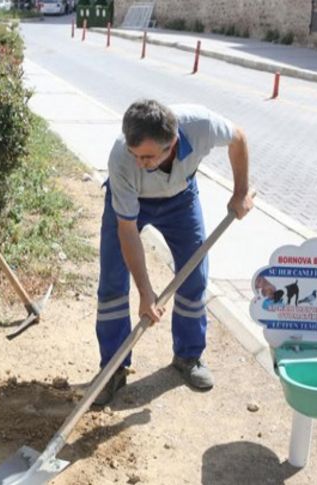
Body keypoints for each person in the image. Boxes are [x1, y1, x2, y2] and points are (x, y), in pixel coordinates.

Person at [93, 99, 253, 406]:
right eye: (135, 154)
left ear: (173, 143)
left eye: (149, 157)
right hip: (129, 204)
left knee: (194, 277)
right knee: (113, 282)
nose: (141, 162)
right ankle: (113, 368)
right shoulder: (121, 157)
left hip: (181, 200)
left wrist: (241, 192)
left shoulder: (201, 126)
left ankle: (188, 357)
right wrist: (145, 291)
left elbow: (239, 138)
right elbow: (127, 230)